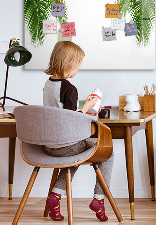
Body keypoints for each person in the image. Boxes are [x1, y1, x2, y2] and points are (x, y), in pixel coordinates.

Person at [43, 41, 113, 222]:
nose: (78, 69)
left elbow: (60, 113)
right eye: (78, 65)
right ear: (69, 64)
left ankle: (55, 197)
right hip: (66, 145)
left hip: (49, 145)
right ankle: (99, 199)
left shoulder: (48, 84)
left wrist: (83, 108)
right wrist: (88, 107)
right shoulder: (69, 88)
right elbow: (71, 120)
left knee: (73, 156)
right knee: (108, 153)